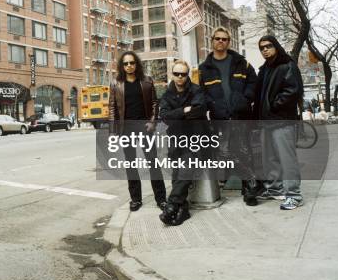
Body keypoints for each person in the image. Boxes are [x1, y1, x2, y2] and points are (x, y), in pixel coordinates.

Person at [198, 26, 259, 206]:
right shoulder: (204, 68)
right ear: (212, 41)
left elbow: (253, 83)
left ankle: (249, 191)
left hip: (240, 115)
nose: (221, 42)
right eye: (217, 38)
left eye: (224, 39)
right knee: (224, 152)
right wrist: (213, 106)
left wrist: (244, 99)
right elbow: (201, 93)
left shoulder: (242, 63)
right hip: (220, 118)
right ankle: (234, 182)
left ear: (228, 42)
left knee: (245, 151)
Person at [109, 51, 166, 212]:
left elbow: (155, 103)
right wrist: (113, 131)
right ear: (122, 66)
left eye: (132, 63)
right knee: (131, 164)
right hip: (126, 129)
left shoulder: (147, 81)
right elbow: (112, 107)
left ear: (136, 64)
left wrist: (152, 122)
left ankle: (161, 199)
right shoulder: (116, 84)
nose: (129, 66)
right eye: (126, 63)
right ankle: (136, 199)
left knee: (153, 163)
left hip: (145, 127)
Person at [254, 35, 305, 210]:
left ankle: (294, 195)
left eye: (268, 46)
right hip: (266, 121)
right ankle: (275, 189)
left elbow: (293, 91)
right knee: (270, 158)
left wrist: (274, 106)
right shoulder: (265, 69)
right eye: (262, 48)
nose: (265, 50)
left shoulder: (287, 65)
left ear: (276, 46)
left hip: (283, 121)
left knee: (287, 159)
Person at [158, 60, 207, 226]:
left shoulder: (196, 90)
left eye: (183, 74)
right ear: (172, 74)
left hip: (195, 138)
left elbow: (199, 110)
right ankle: (182, 209)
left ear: (187, 75)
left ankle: (171, 205)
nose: (180, 77)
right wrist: (184, 110)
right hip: (176, 138)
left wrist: (177, 115)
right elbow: (164, 116)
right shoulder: (167, 94)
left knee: (186, 166)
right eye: (177, 74)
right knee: (176, 170)